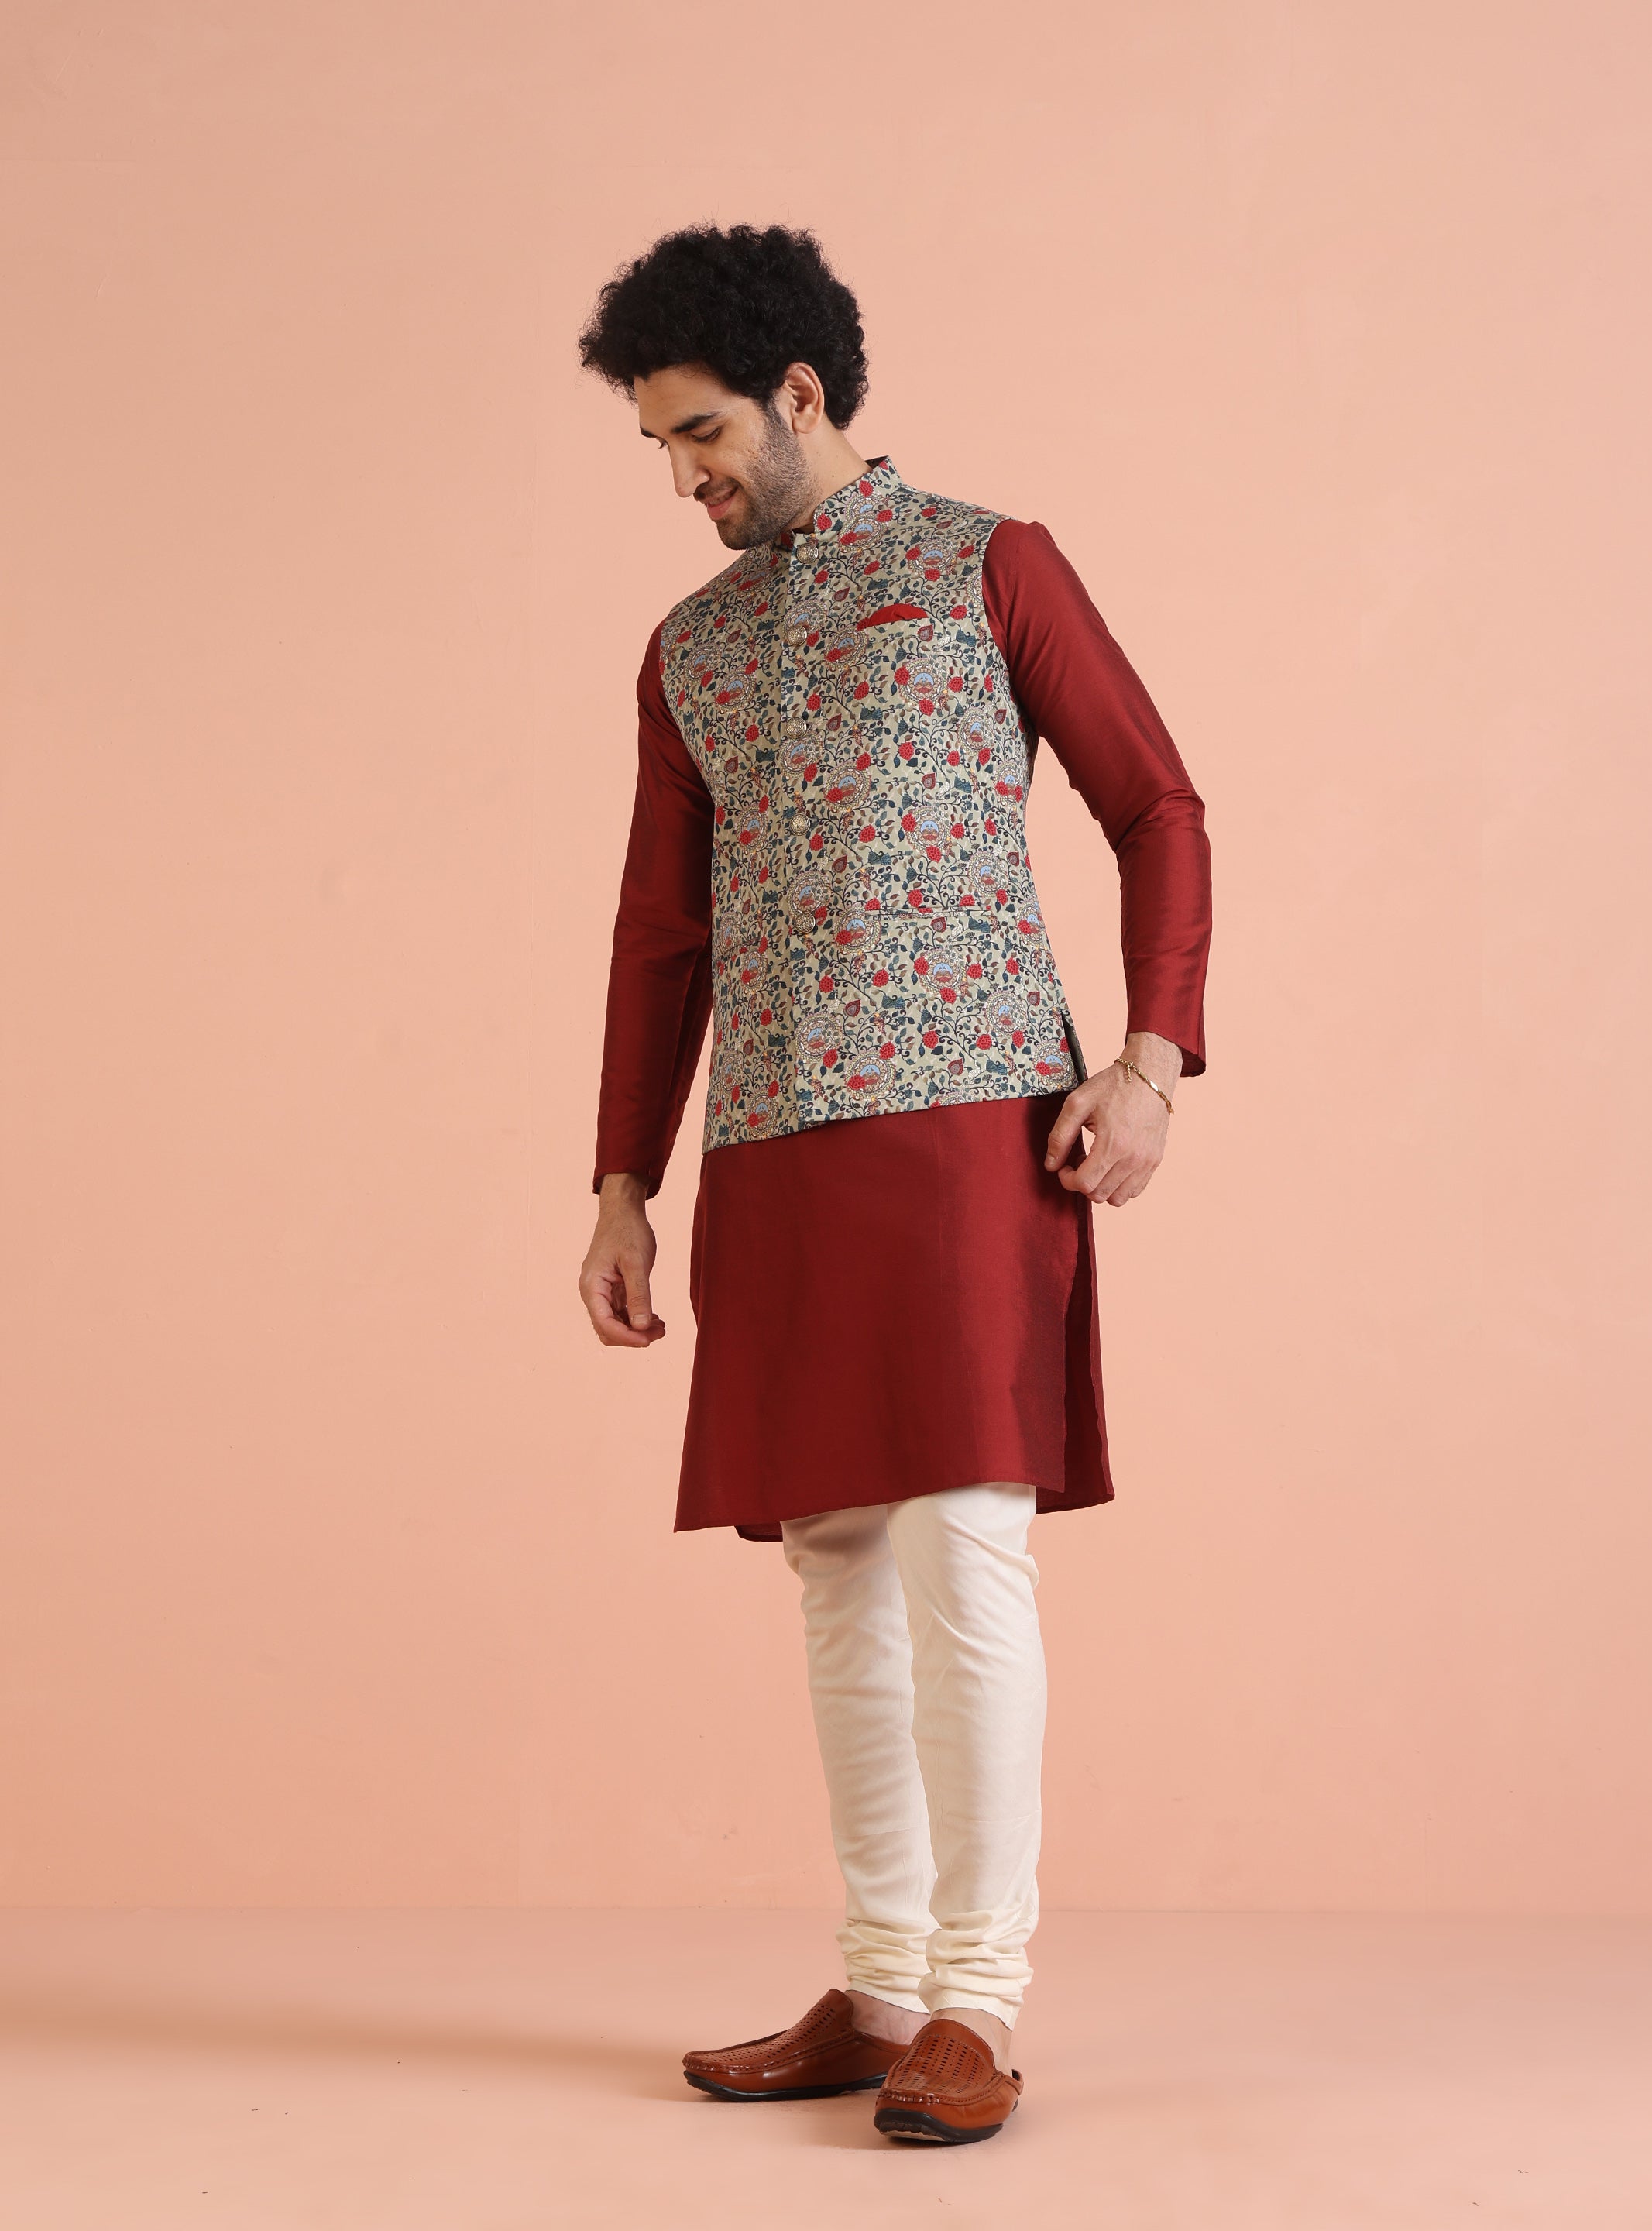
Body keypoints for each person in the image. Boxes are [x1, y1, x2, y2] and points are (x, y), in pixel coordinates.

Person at [575, 224, 1211, 2147]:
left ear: (799, 394)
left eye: (700, 435)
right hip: (769, 1143)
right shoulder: (690, 649)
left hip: (964, 1128)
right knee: (835, 1567)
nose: (681, 479)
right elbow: (661, 934)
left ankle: (976, 2005)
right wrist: (622, 1180)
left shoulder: (988, 564)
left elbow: (1156, 803)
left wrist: (1152, 1059)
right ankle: (874, 1986)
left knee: (960, 1547)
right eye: (657, 448)